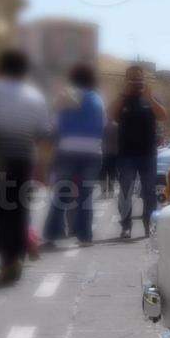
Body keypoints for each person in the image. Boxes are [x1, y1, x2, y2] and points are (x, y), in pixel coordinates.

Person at [0, 50, 50, 286]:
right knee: (19, 210)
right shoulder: (35, 96)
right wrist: (43, 168)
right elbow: (43, 134)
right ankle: (16, 258)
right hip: (23, 160)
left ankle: (8, 261)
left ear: (1, 67)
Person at [41, 63, 105, 249]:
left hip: (67, 150)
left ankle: (51, 235)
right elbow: (102, 125)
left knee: (61, 194)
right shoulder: (97, 99)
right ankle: (85, 237)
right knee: (86, 195)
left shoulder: (65, 97)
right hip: (92, 151)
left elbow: (54, 124)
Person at [113, 65, 165, 241]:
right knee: (126, 192)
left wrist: (149, 98)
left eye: (139, 79)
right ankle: (126, 227)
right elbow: (110, 115)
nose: (137, 82)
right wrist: (123, 95)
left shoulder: (149, 98)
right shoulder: (123, 99)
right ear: (126, 80)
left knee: (149, 192)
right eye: (133, 79)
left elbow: (163, 116)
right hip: (126, 154)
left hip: (148, 154)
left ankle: (148, 227)